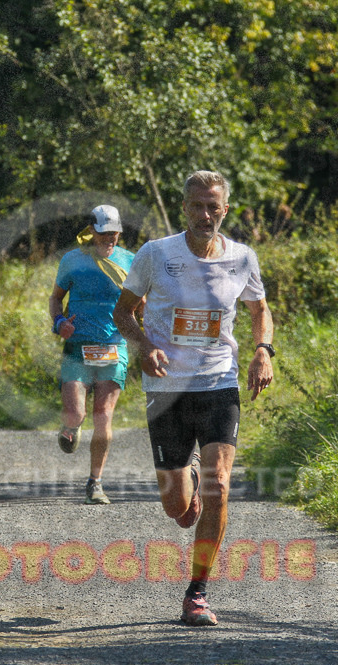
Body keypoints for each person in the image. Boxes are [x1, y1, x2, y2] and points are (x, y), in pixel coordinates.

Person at [113, 170, 274, 626]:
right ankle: (187, 485)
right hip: (166, 391)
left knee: (219, 485)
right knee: (177, 508)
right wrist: (143, 346)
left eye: (213, 206)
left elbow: (260, 310)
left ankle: (197, 593)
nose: (206, 215)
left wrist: (263, 351)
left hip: (219, 383)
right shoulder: (155, 254)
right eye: (197, 206)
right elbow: (123, 313)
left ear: (225, 208)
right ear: (185, 208)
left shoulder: (243, 258)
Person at [48, 205, 137, 505]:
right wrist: (59, 323)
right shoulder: (72, 260)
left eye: (114, 234)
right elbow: (56, 298)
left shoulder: (129, 260)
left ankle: (95, 482)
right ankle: (70, 426)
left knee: (103, 417)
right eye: (103, 234)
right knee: (77, 413)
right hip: (77, 348)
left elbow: (143, 304)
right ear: (91, 231)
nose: (109, 239)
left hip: (114, 345)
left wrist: (148, 338)